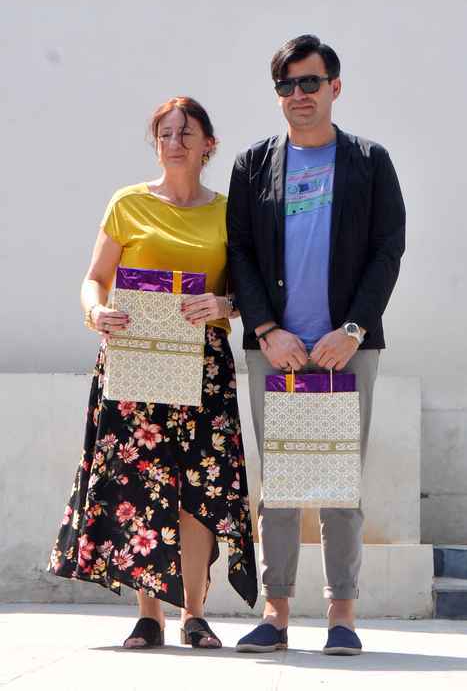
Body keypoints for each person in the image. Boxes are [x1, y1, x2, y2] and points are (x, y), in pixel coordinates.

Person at [48, 96, 258, 649]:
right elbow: (94, 278)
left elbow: (249, 291)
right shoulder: (127, 203)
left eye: (187, 133)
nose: (175, 142)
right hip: (135, 359)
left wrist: (225, 305)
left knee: (199, 490)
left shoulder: (229, 211)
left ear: (209, 144)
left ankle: (193, 613)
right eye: (165, 133)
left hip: (204, 366)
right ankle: (149, 615)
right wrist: (95, 311)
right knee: (141, 485)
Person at [227, 34, 405, 655]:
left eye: (310, 82)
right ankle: (275, 615)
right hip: (275, 350)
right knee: (278, 484)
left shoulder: (369, 161)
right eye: (287, 85)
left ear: (335, 86)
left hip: (346, 349)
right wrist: (266, 330)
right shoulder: (253, 165)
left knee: (339, 485)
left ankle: (342, 617)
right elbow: (240, 252)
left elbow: (388, 249)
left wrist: (352, 328)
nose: (299, 94)